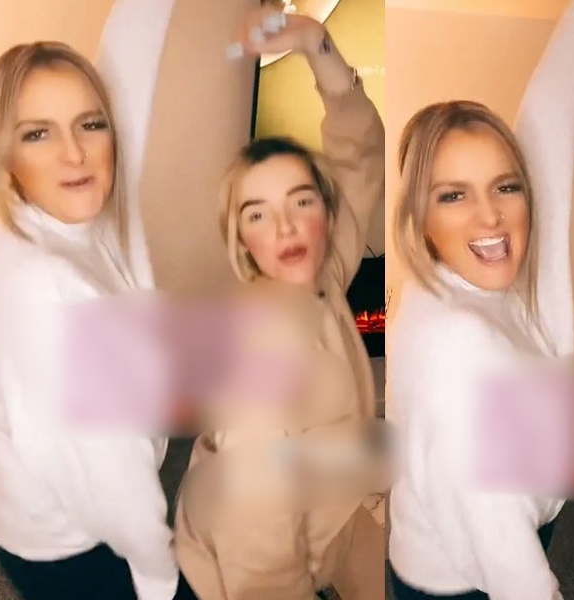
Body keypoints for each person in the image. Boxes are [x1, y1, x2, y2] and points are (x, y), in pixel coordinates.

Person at [386, 0, 574, 597]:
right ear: (419, 218)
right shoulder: (462, 349)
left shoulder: (460, 273)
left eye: (505, 186)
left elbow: (553, 113)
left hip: (443, 532)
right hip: (461, 580)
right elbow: (513, 570)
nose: (490, 216)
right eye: (453, 195)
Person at [172, 6, 386, 600]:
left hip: (306, 537)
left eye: (301, 201)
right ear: (241, 239)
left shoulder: (322, 276)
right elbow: (257, 538)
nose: (286, 227)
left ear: (327, 213)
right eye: (258, 214)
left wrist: (317, 43)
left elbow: (360, 156)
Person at [0, 42, 197, 600]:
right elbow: (119, 487)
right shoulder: (55, 288)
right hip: (72, 544)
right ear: (6, 154)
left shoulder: (37, 221)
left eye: (91, 124)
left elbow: (133, 66)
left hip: (26, 506)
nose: (74, 153)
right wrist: (160, 581)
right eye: (38, 133)